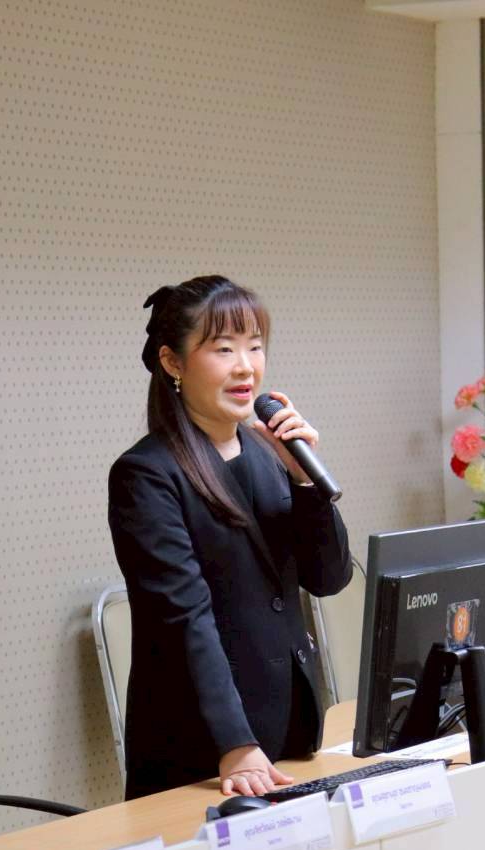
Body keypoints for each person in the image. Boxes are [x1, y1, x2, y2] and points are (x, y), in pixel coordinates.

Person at [107, 275, 352, 801]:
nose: (245, 366)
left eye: (255, 346)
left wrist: (305, 484)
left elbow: (328, 578)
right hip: (203, 750)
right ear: (173, 362)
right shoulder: (146, 474)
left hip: (289, 733)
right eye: (223, 349)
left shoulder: (269, 452)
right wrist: (235, 743)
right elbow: (183, 619)